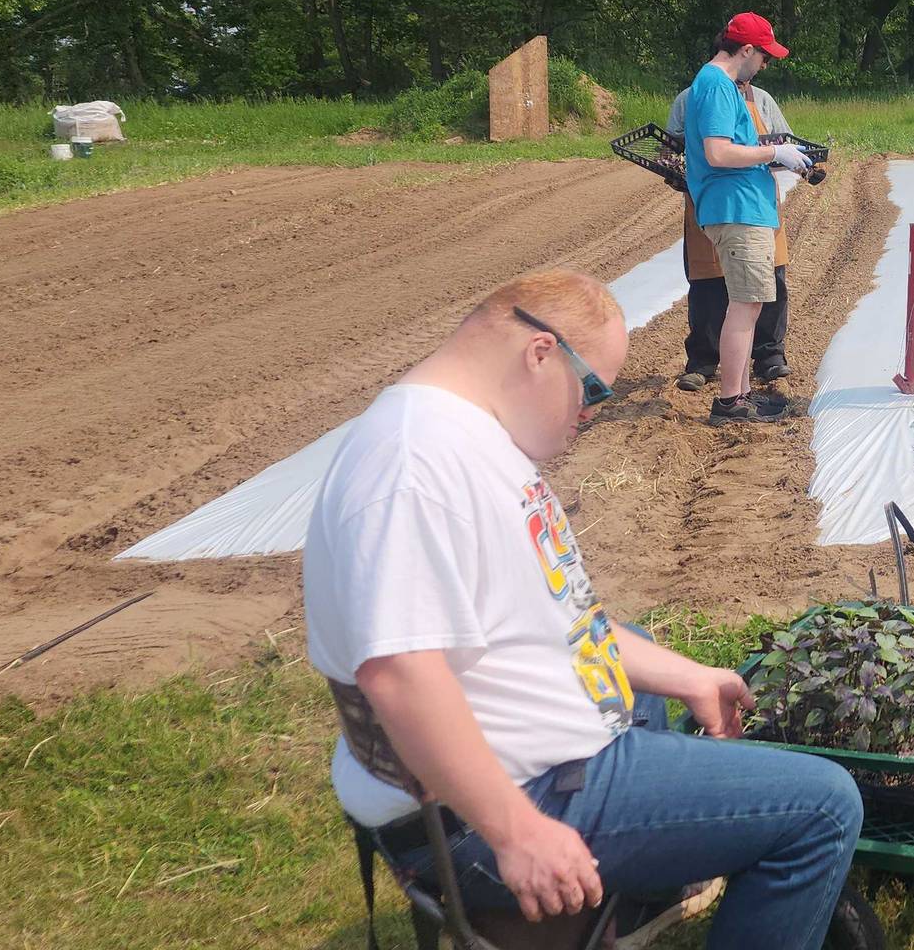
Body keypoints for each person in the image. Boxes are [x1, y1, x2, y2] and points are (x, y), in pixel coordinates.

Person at [304, 270, 861, 948]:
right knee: (823, 806)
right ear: (540, 353)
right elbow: (398, 674)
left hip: (533, 767)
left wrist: (690, 676)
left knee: (637, 649)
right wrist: (517, 833)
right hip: (498, 805)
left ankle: (638, 894)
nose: (593, 412)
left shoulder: (462, 434)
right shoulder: (413, 468)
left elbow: (558, 616)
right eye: (593, 389)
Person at [683, 12, 811, 424]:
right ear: (747, 50)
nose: (765, 65)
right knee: (745, 304)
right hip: (736, 208)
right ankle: (729, 402)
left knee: (749, 304)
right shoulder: (718, 85)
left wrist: (773, 156)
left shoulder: (718, 84)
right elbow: (718, 152)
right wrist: (774, 152)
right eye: (764, 56)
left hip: (742, 206)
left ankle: (740, 393)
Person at [669, 76, 796, 392]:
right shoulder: (688, 99)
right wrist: (674, 171)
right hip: (709, 202)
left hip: (755, 201)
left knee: (769, 281)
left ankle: (769, 355)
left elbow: (784, 144)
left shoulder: (761, 99)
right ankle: (703, 361)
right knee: (707, 283)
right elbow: (669, 151)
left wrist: (780, 156)